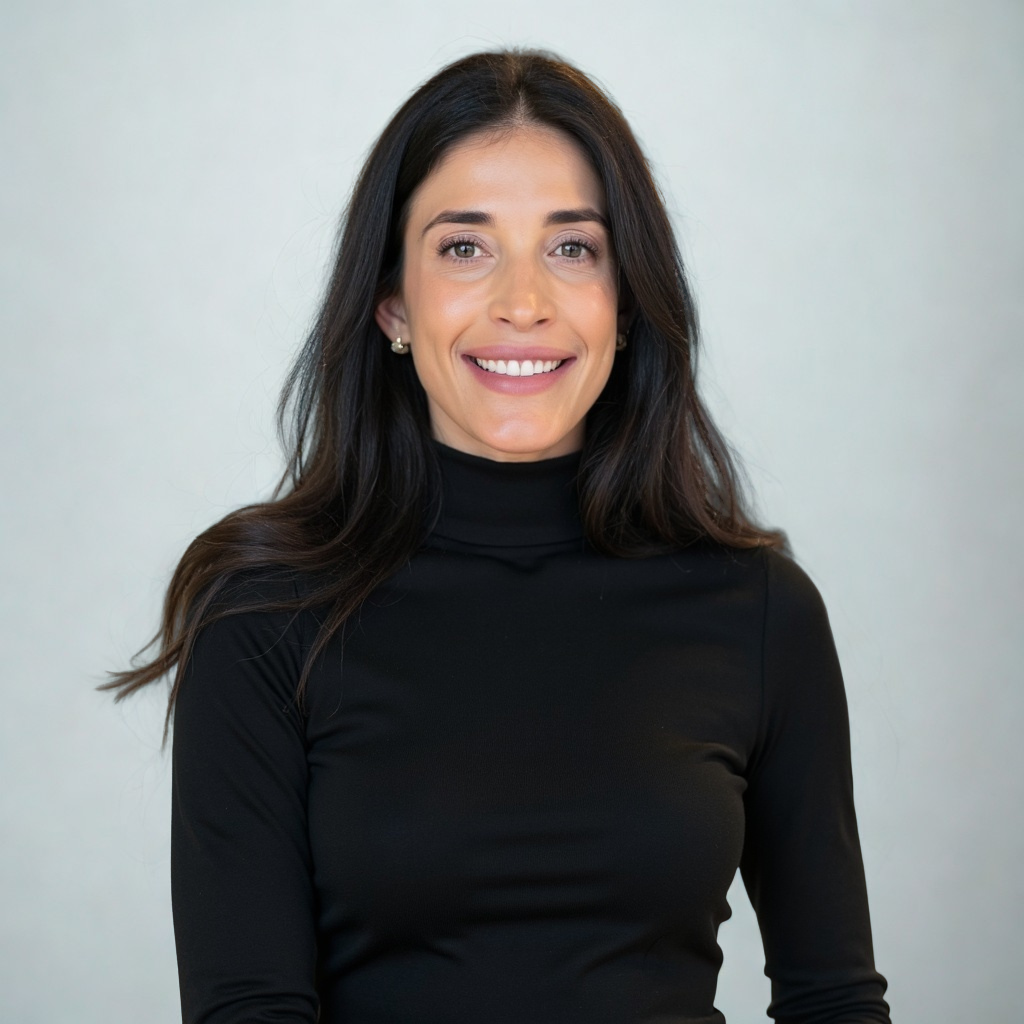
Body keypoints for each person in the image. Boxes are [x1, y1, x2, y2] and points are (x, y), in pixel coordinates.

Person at [103, 48, 891, 1024]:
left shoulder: (761, 609)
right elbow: (249, 1009)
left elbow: (833, 998)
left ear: (626, 302)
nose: (524, 301)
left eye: (572, 249)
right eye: (464, 248)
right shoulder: (268, 616)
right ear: (392, 301)